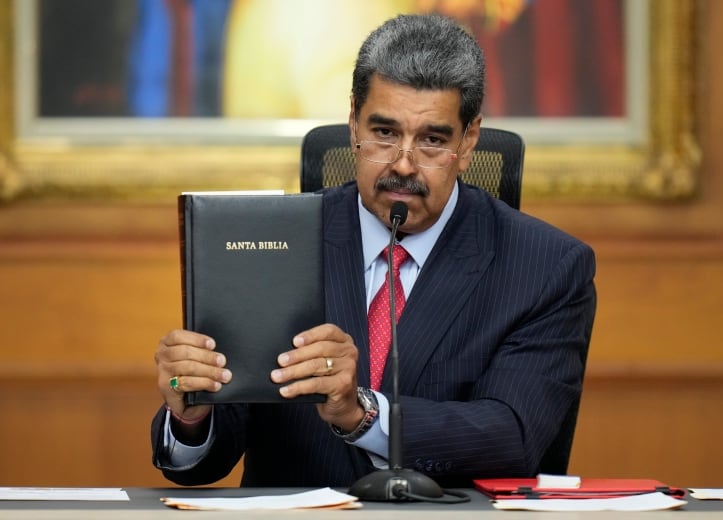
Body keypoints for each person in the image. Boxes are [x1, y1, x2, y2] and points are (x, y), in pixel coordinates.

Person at [152, 13, 596, 488]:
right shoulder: (272, 244)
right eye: (384, 133)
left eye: (431, 140)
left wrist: (361, 414)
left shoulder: (546, 267)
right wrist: (192, 416)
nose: (403, 165)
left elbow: (513, 438)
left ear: (468, 142)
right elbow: (208, 456)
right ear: (352, 125)